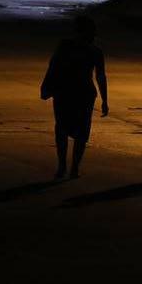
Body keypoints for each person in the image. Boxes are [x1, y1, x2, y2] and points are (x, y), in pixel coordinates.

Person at [40, 15, 108, 179]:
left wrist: (47, 86)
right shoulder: (93, 51)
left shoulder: (67, 46)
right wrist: (105, 100)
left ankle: (65, 166)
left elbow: (53, 66)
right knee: (80, 131)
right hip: (79, 93)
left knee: (64, 129)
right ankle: (72, 167)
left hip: (67, 92)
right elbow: (100, 76)